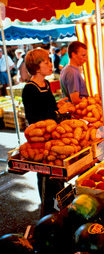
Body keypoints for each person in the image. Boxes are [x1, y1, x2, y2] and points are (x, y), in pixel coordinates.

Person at [22, 48, 65, 216]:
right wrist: (57, 113)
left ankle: (59, 210)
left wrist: (58, 106)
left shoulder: (46, 84)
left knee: (58, 178)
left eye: (49, 60)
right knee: (47, 179)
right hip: (40, 142)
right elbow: (34, 118)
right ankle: (48, 216)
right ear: (36, 67)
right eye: (46, 61)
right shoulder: (30, 89)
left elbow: (50, 108)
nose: (50, 64)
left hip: (53, 137)